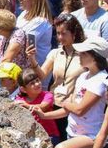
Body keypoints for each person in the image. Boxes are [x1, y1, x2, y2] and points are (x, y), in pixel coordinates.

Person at [33, 37, 108, 148]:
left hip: (90, 136)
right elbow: (71, 108)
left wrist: (67, 104)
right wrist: (44, 115)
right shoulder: (83, 76)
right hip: (72, 132)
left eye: (84, 53)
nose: (79, 55)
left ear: (95, 57)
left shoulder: (101, 80)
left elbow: (79, 110)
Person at [30, 13, 85, 141]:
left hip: (72, 106)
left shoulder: (85, 55)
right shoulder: (55, 53)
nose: (60, 37)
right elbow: (42, 75)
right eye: (58, 33)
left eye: (64, 33)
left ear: (74, 34)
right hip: (54, 103)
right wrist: (32, 60)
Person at [14, 68, 61, 145]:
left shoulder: (47, 95)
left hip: (50, 135)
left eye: (37, 80)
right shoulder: (19, 99)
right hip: (31, 136)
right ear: (23, 89)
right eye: (32, 83)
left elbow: (43, 106)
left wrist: (27, 106)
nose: (37, 84)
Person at [16, 0, 54, 69]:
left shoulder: (41, 21)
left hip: (35, 70)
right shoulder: (23, 14)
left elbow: (25, 43)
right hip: (22, 66)